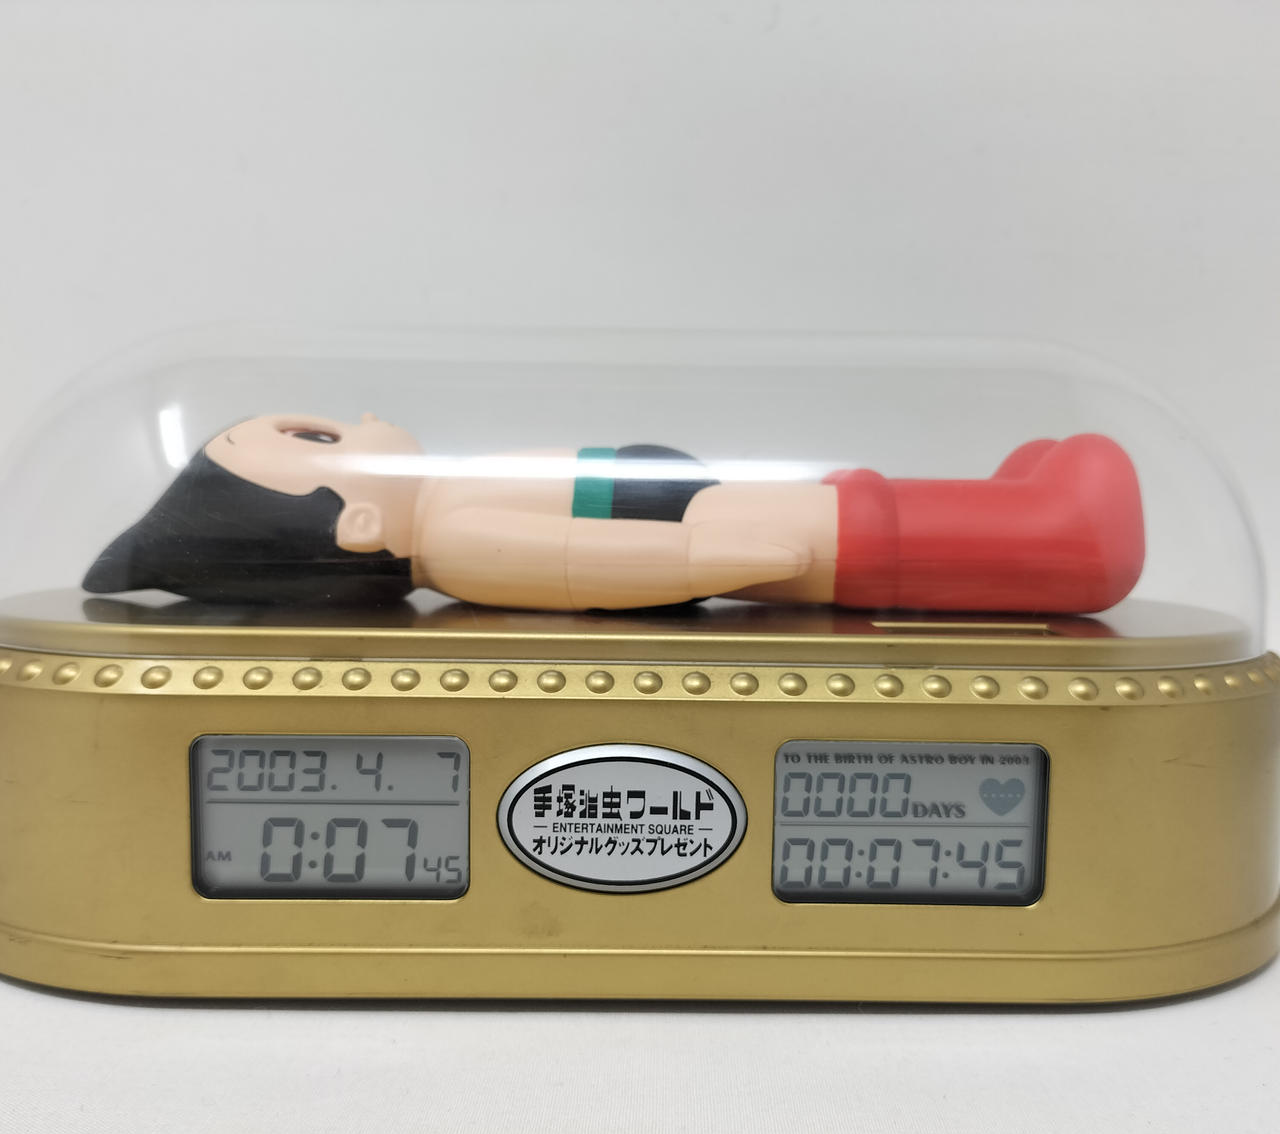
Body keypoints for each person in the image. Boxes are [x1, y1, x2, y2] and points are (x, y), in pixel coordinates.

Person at [83, 412, 1145, 614]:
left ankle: (1010, 506)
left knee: (846, 503)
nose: (358, 418)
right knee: (856, 523)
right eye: (322, 438)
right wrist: (715, 559)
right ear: (358, 526)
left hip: (716, 508)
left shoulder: (448, 497)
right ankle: (1056, 541)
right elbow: (583, 566)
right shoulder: (457, 540)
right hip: (729, 532)